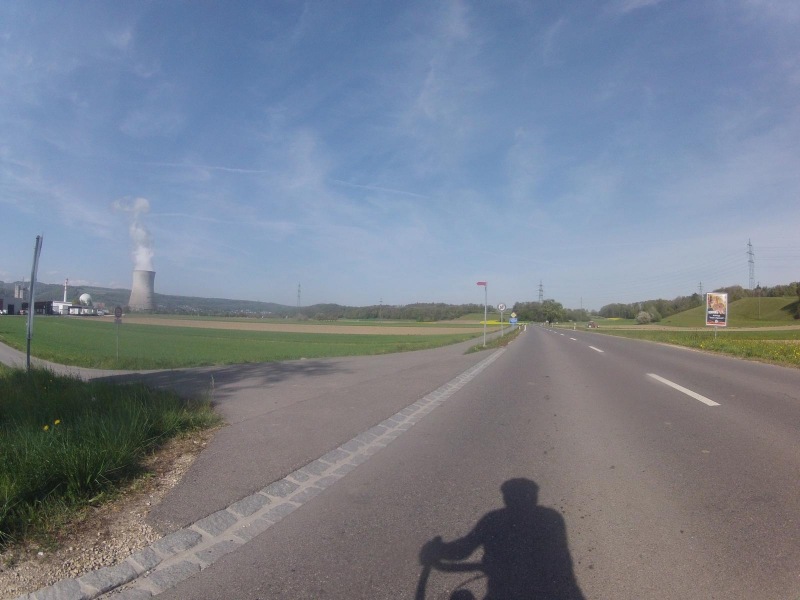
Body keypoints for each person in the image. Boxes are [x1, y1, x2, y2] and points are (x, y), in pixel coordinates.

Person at [419, 479, 585, 600]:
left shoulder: (495, 521)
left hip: (517, 594)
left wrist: (436, 550)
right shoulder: (550, 518)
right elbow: (462, 550)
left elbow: (461, 550)